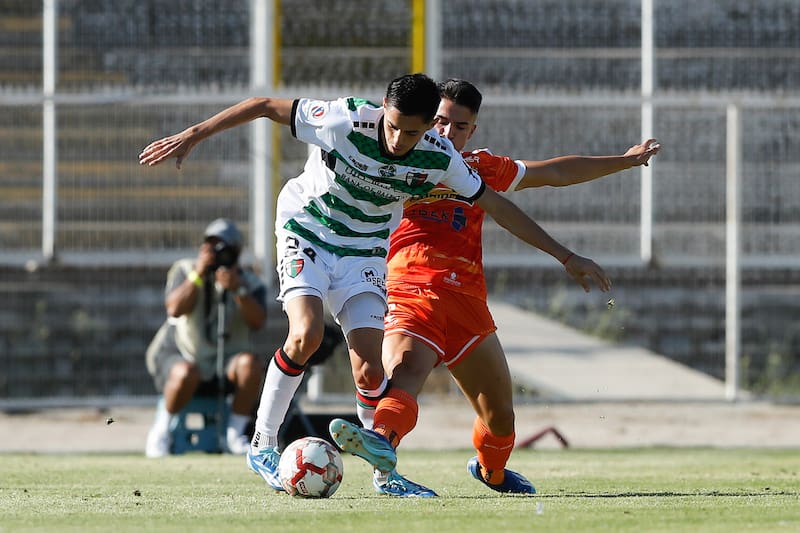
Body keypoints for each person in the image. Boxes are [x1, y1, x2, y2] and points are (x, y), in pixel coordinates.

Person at [139, 73, 608, 491]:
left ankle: (385, 475)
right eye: (394, 125)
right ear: (383, 109)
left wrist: (565, 256)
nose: (401, 139)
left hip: (364, 250)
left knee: (368, 370)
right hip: (309, 231)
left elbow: (497, 205)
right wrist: (194, 134)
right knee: (306, 334)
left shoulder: (439, 155)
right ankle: (261, 444)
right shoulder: (342, 119)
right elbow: (264, 105)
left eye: (413, 131)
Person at [331, 78, 660, 496]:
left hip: (467, 299)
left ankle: (492, 472)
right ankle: (382, 445)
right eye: (440, 123)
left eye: (459, 126)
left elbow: (555, 172)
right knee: (408, 370)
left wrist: (626, 162)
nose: (447, 133)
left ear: (473, 131)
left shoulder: (478, 168)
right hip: (412, 286)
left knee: (500, 417)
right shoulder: (396, 164)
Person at [144, 218, 267, 458]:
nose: (219, 253)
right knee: (184, 372)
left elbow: (258, 322)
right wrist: (199, 274)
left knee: (251, 364)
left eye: (225, 248)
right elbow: (174, 309)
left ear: (238, 251)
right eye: (213, 246)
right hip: (186, 355)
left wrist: (238, 289)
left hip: (228, 362)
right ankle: (161, 430)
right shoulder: (185, 270)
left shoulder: (250, 283)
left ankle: (235, 433)